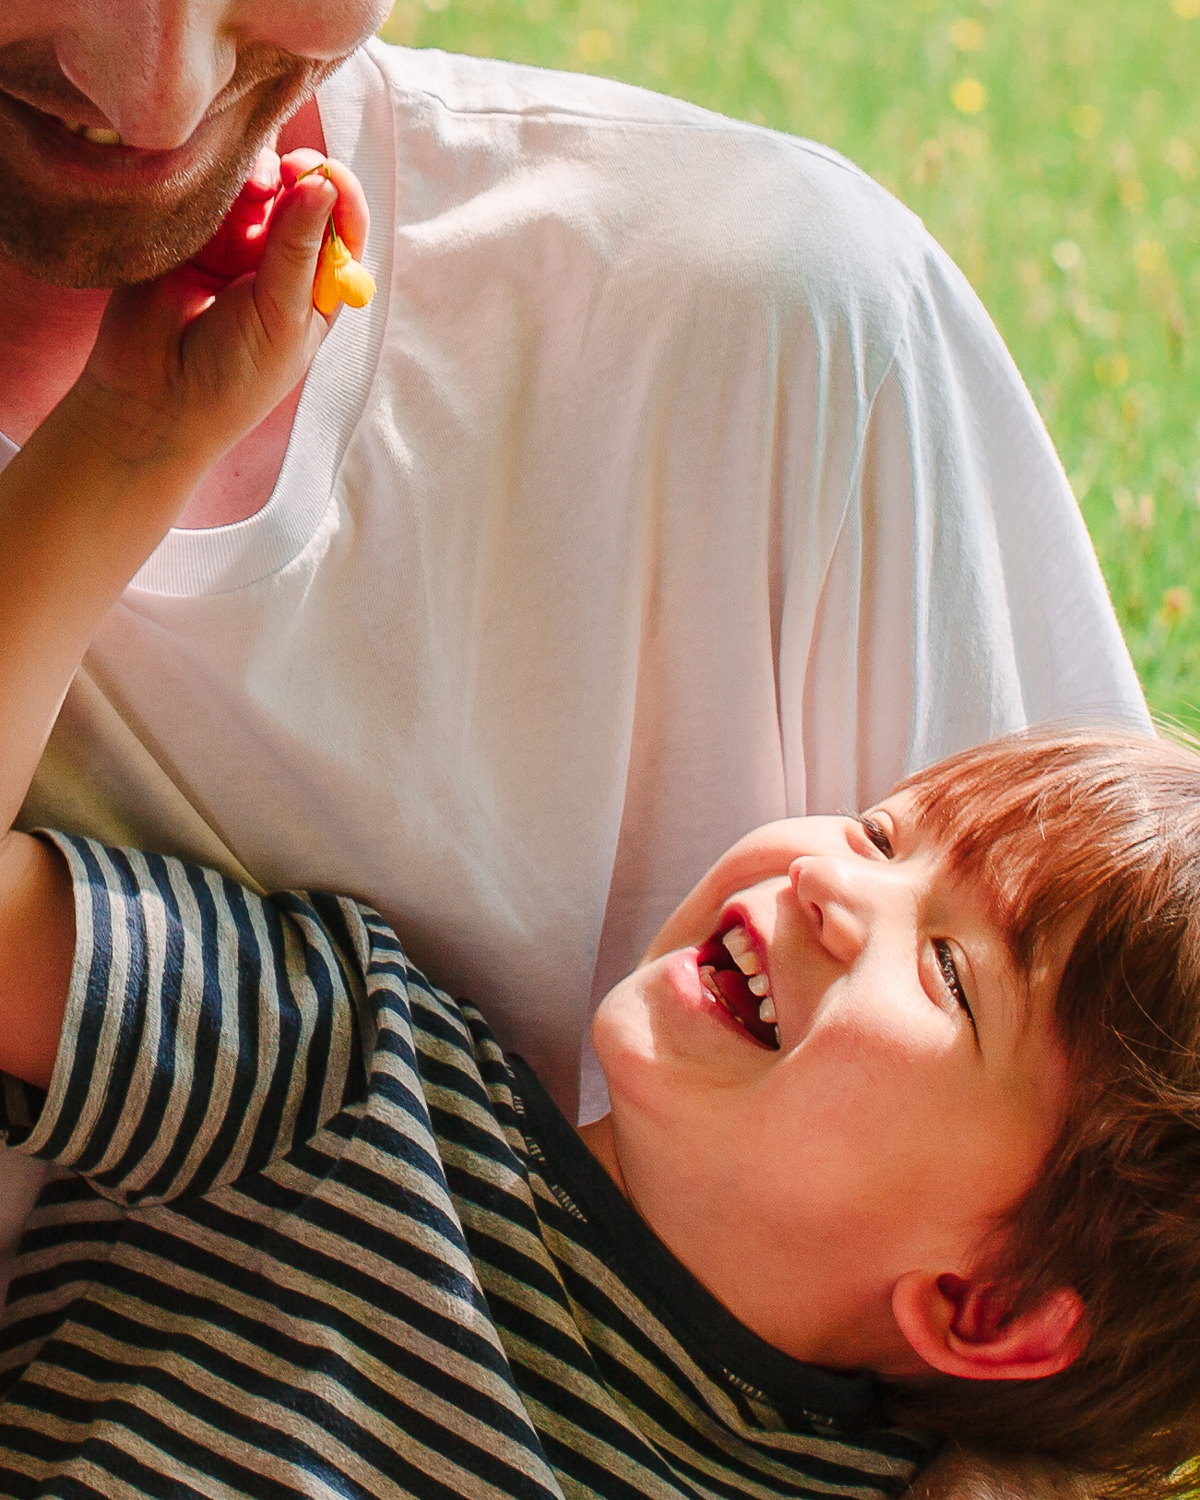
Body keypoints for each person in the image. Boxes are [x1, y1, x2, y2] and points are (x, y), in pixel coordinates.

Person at [0, 192, 1193, 1497]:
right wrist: (120, 447)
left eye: (953, 973)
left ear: (988, 1310)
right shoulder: (363, 1085)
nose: (841, 882)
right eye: (884, 831)